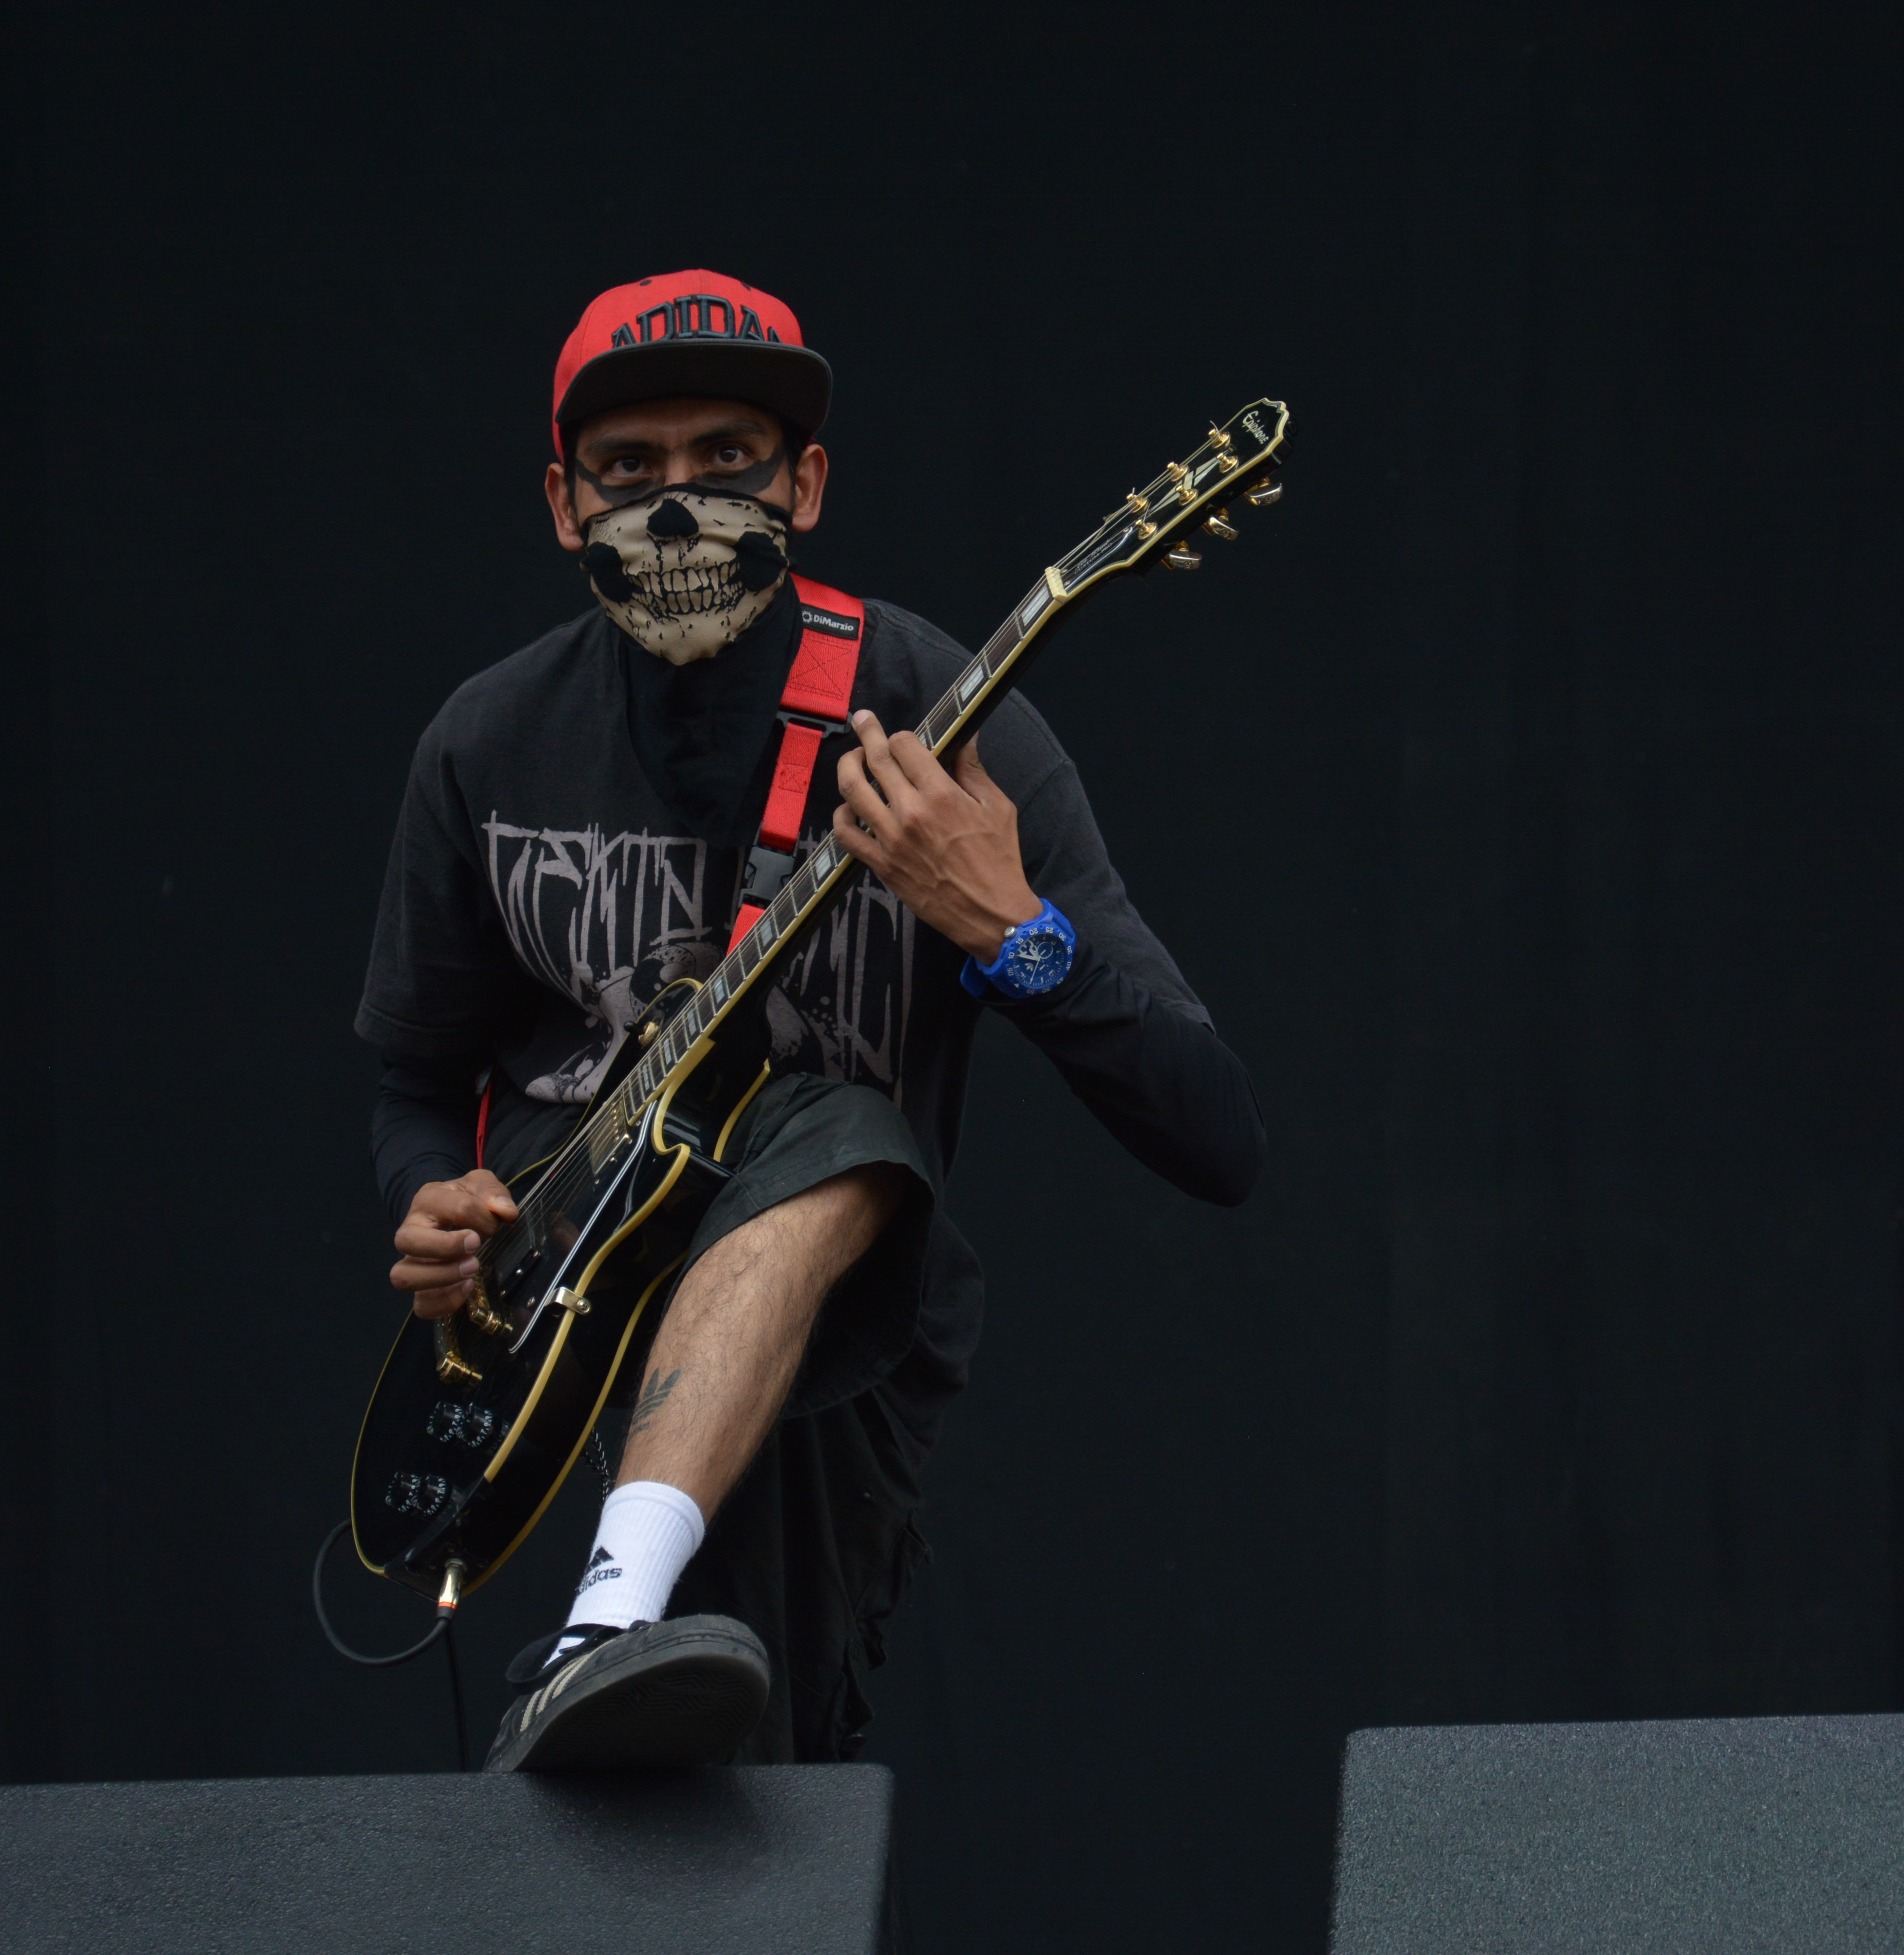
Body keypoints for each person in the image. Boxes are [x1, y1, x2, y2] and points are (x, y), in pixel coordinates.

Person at [357, 270, 1263, 1771]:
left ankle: (606, 1627)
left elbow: (1219, 1137)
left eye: (729, 459)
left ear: (808, 482)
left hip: (822, 1364)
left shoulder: (940, 717)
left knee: (842, 1128)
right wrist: (429, 1196)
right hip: (551, 1334)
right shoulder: (488, 740)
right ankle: (599, 1621)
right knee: (619, 1814)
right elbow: (413, 1081)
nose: (678, 505)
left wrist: (1012, 933)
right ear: (563, 504)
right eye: (629, 468)